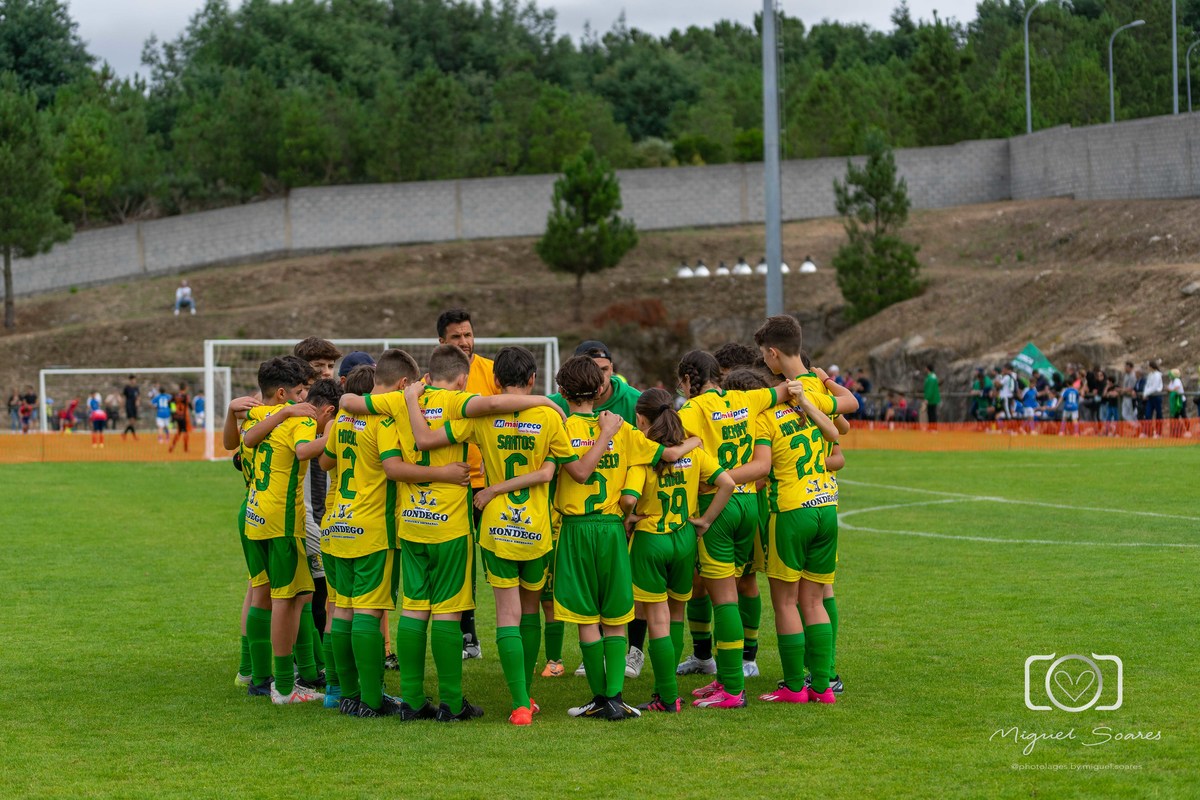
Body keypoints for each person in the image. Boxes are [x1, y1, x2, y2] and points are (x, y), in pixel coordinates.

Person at [342, 344, 563, 722]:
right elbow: (496, 404)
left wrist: (406, 397)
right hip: (450, 523)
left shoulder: (400, 400)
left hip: (411, 519)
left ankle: (412, 701)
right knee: (447, 612)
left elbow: (348, 401)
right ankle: (451, 702)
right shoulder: (459, 402)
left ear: (427, 375)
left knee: (414, 608)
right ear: (463, 379)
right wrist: (545, 400)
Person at [403, 346, 608, 725]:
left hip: (496, 526)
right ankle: (526, 695)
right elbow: (575, 472)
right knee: (530, 611)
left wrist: (412, 400)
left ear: (496, 380)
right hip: (536, 528)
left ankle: (520, 705)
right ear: (532, 379)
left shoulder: (482, 417)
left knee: (507, 615)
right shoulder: (549, 417)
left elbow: (426, 440)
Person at [551, 356, 699, 721]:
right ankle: (615, 699)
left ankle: (600, 699)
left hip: (576, 529)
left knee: (587, 619)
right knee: (616, 616)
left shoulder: (560, 428)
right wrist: (696, 440)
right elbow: (671, 453)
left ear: (562, 392)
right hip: (613, 530)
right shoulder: (625, 431)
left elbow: (569, 473)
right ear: (601, 388)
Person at [674, 350, 788, 704]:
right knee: (736, 590)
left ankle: (733, 689)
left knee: (723, 599)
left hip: (716, 506)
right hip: (748, 502)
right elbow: (788, 388)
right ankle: (727, 676)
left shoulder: (691, 410)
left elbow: (671, 449)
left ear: (688, 380)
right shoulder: (745, 398)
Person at [622, 388, 736, 713]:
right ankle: (664, 690)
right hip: (684, 537)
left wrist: (629, 516)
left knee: (656, 618)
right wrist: (705, 521)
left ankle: (667, 697)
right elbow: (727, 483)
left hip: (651, 539)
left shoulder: (644, 456)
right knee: (675, 615)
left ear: (641, 419)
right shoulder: (694, 452)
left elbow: (628, 499)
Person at [749, 317, 843, 704]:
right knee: (815, 599)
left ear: (773, 353)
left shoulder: (766, 413)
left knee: (786, 602)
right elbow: (844, 419)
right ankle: (822, 686)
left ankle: (793, 687)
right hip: (826, 505)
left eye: (764, 354)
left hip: (789, 509)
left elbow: (762, 469)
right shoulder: (816, 392)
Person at [240, 357, 326, 704]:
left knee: (267, 595)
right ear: (283, 393)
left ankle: (258, 676)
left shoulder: (259, 414)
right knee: (286, 600)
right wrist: (336, 434)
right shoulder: (299, 418)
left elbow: (246, 440)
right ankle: (285, 687)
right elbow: (304, 450)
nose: (306, 397)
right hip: (283, 521)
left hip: (255, 513)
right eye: (301, 391)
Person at [435, 309, 497, 660]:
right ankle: (467, 635)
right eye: (456, 337)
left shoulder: (492, 372)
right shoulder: (434, 378)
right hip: (452, 482)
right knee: (460, 560)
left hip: (491, 483)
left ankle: (515, 630)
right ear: (442, 341)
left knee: (500, 555)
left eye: (468, 334)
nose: (464, 342)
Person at [168, 382, 191, 453]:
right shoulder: (185, 396)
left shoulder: (175, 395)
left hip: (177, 416)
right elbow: (188, 404)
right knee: (186, 432)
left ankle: (172, 445)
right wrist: (193, 410)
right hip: (184, 416)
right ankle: (186, 448)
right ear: (185, 388)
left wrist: (173, 410)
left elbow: (170, 403)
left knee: (179, 431)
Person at [1167, 368, 1187, 436]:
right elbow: (1169, 388)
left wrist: (1170, 390)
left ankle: (1187, 430)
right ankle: (1178, 431)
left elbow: (1176, 388)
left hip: (1180, 401)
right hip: (1175, 401)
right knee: (1175, 417)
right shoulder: (1172, 381)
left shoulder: (1177, 380)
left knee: (1183, 415)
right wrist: (1169, 389)